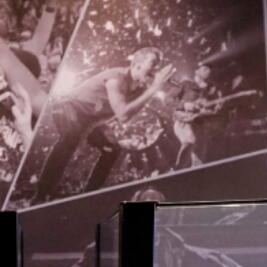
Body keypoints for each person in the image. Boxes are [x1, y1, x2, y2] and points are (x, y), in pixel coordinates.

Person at [31, 46, 174, 204]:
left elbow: (126, 117)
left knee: (113, 150)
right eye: (153, 64)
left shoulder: (141, 88)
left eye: (159, 65)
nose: (157, 70)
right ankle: (41, 195)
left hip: (91, 120)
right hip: (69, 107)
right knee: (70, 139)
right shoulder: (116, 78)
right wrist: (154, 88)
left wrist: (153, 90)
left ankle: (87, 195)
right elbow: (123, 113)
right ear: (138, 64)